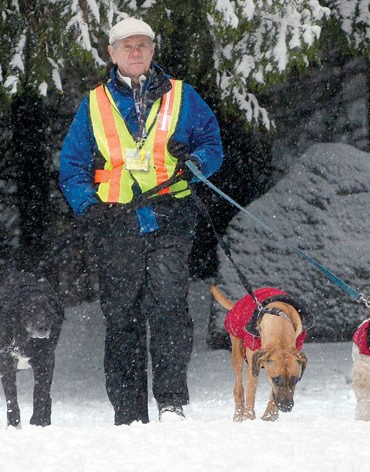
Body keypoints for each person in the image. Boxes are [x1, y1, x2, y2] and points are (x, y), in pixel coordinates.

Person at [59, 17, 223, 425]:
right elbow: (72, 166)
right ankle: (129, 412)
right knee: (122, 316)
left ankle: (171, 402)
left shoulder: (183, 96)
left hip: (171, 215)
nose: (135, 52)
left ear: (152, 51)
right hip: (115, 223)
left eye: (142, 46)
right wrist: (86, 205)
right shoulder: (93, 103)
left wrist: (197, 163)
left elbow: (212, 144)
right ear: (111, 53)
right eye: (126, 46)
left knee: (169, 305)